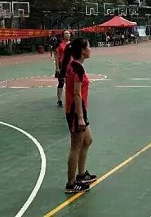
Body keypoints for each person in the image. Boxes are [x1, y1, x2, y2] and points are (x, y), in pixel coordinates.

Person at [60, 38, 97, 193]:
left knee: (87, 140)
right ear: (82, 50)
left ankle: (81, 175)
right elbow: (76, 94)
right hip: (76, 111)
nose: (90, 49)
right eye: (89, 46)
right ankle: (71, 184)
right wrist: (80, 117)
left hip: (79, 110)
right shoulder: (76, 68)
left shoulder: (74, 65)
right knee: (75, 147)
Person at [55, 30, 71, 108]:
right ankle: (59, 100)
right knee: (61, 83)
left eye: (69, 33)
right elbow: (57, 56)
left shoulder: (72, 44)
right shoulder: (60, 45)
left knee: (70, 83)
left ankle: (70, 99)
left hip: (71, 65)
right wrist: (57, 67)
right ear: (63, 35)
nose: (68, 35)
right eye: (66, 33)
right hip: (62, 66)